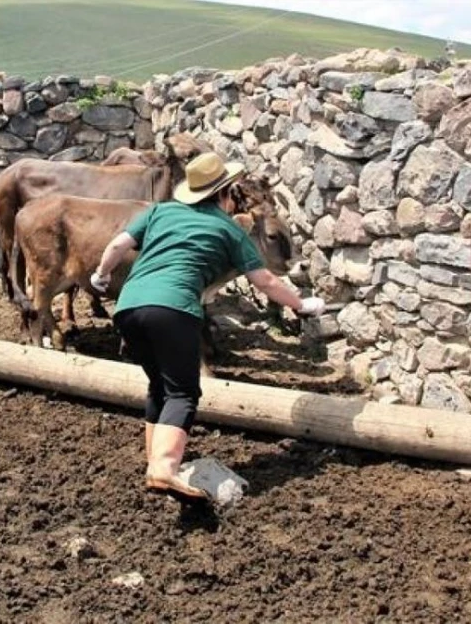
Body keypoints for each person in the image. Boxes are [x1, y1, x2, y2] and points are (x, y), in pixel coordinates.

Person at [90, 152, 326, 502]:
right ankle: (164, 469)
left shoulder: (159, 211)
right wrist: (302, 304)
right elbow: (264, 280)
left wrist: (101, 275)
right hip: (173, 310)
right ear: (226, 193)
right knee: (184, 392)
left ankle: (155, 463)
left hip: (127, 307)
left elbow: (117, 244)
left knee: (160, 386)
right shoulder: (228, 228)